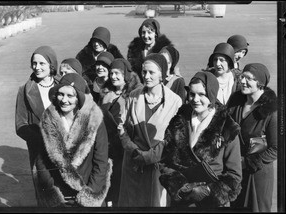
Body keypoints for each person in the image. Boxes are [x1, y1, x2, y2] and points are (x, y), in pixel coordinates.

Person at [159, 71, 242, 209]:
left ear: (212, 94)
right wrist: (180, 187)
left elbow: (234, 176)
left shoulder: (227, 128)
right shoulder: (178, 121)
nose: (195, 99)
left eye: (202, 94)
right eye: (192, 94)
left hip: (213, 204)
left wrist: (209, 190)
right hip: (183, 202)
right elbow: (164, 161)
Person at [35, 73, 112, 207]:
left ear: (79, 98)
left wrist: (89, 195)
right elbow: (42, 160)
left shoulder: (94, 119)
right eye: (60, 94)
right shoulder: (48, 118)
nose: (64, 100)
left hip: (87, 190)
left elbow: (101, 162)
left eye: (70, 96)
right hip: (60, 196)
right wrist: (53, 192)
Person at [118, 53, 182, 207]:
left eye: (151, 72)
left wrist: (149, 157)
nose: (146, 76)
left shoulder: (175, 102)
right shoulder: (133, 97)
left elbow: (174, 137)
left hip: (158, 166)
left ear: (162, 75)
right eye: (144, 72)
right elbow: (122, 128)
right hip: (133, 165)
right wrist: (134, 151)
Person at [227, 63, 277, 212]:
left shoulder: (272, 111)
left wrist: (248, 162)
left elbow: (276, 148)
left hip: (257, 174)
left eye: (248, 78)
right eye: (242, 76)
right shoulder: (235, 102)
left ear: (260, 83)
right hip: (235, 171)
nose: (242, 81)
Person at [15, 46, 60, 204]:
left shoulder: (64, 86)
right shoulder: (24, 91)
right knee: (45, 197)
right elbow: (21, 126)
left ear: (51, 65)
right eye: (34, 63)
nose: (37, 67)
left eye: (42, 63)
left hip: (65, 152)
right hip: (39, 152)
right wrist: (42, 139)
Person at [100, 58, 142, 207]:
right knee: (111, 183)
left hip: (126, 146)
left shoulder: (135, 94)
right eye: (111, 73)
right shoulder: (106, 94)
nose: (113, 77)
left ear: (125, 75)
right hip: (110, 147)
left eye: (117, 73)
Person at [127, 18, 173, 83]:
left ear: (156, 34)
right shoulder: (134, 50)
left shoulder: (164, 51)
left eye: (149, 32)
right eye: (143, 32)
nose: (146, 36)